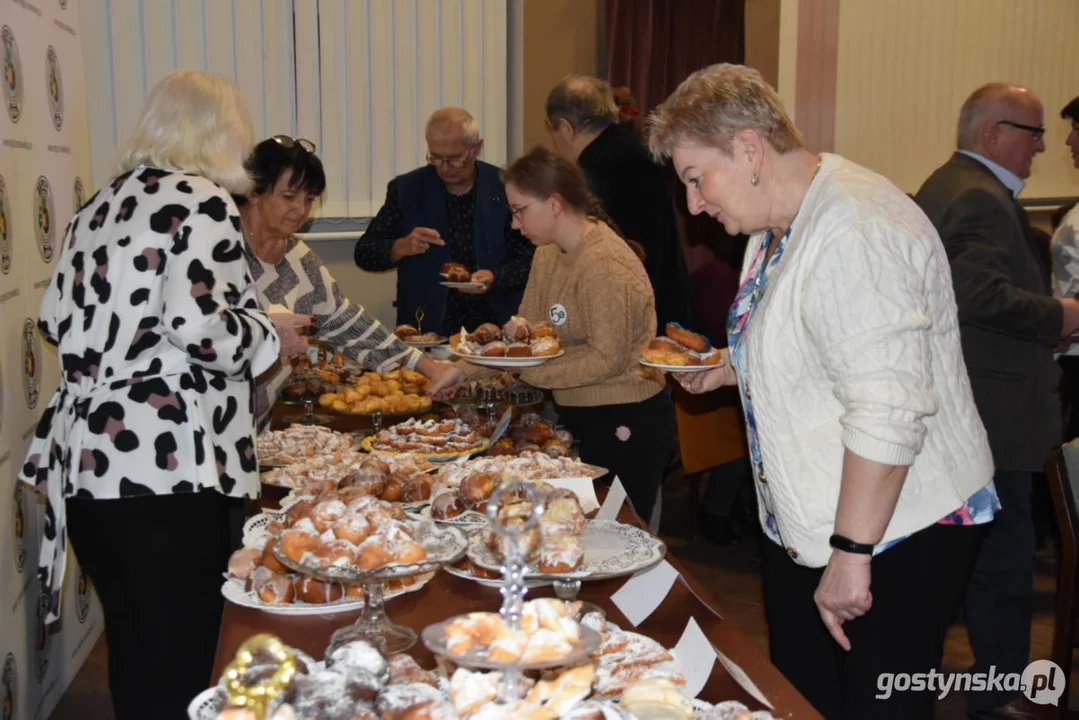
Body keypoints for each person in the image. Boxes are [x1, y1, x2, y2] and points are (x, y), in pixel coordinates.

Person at [648, 63, 997, 720]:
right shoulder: (777, 220)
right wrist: (732, 365)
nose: (692, 203)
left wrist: (850, 555)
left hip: (894, 532)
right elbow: (819, 342)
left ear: (749, 150)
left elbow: (888, 408)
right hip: (821, 521)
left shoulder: (855, 228)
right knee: (806, 698)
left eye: (696, 178)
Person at [18, 70, 309, 719]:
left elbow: (57, 322)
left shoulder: (102, 203)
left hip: (90, 465)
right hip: (169, 469)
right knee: (182, 658)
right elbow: (201, 328)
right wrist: (266, 330)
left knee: (136, 652)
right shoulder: (202, 200)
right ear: (221, 135)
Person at [915, 83, 1079, 720]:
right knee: (1002, 566)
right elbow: (975, 295)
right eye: (1033, 132)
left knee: (978, 560)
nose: (1044, 146)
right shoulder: (979, 199)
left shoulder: (948, 184)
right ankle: (1004, 694)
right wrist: (1061, 313)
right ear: (992, 134)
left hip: (977, 411)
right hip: (996, 418)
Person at [495, 145, 676, 523]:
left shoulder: (604, 263)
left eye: (519, 211)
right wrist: (463, 369)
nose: (514, 224)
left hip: (626, 418)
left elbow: (604, 357)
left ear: (555, 204)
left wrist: (527, 372)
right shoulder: (547, 252)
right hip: (581, 414)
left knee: (621, 536)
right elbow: (525, 338)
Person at [236, 136, 464, 426]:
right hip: (204, 421)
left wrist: (429, 367)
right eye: (289, 197)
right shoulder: (220, 252)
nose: (301, 210)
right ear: (253, 190)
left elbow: (347, 323)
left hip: (256, 427)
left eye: (309, 199)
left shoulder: (297, 257)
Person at [354, 108, 534, 335]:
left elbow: (531, 259)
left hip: (496, 322)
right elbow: (364, 253)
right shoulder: (407, 189)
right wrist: (401, 246)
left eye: (454, 158)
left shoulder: (505, 187)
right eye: (436, 157)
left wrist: (496, 277)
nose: (444, 166)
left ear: (476, 148)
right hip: (428, 326)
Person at [545, 75, 695, 330]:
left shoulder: (593, 173)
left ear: (566, 128)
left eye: (552, 129)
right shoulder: (632, 149)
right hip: (664, 301)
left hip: (633, 317)